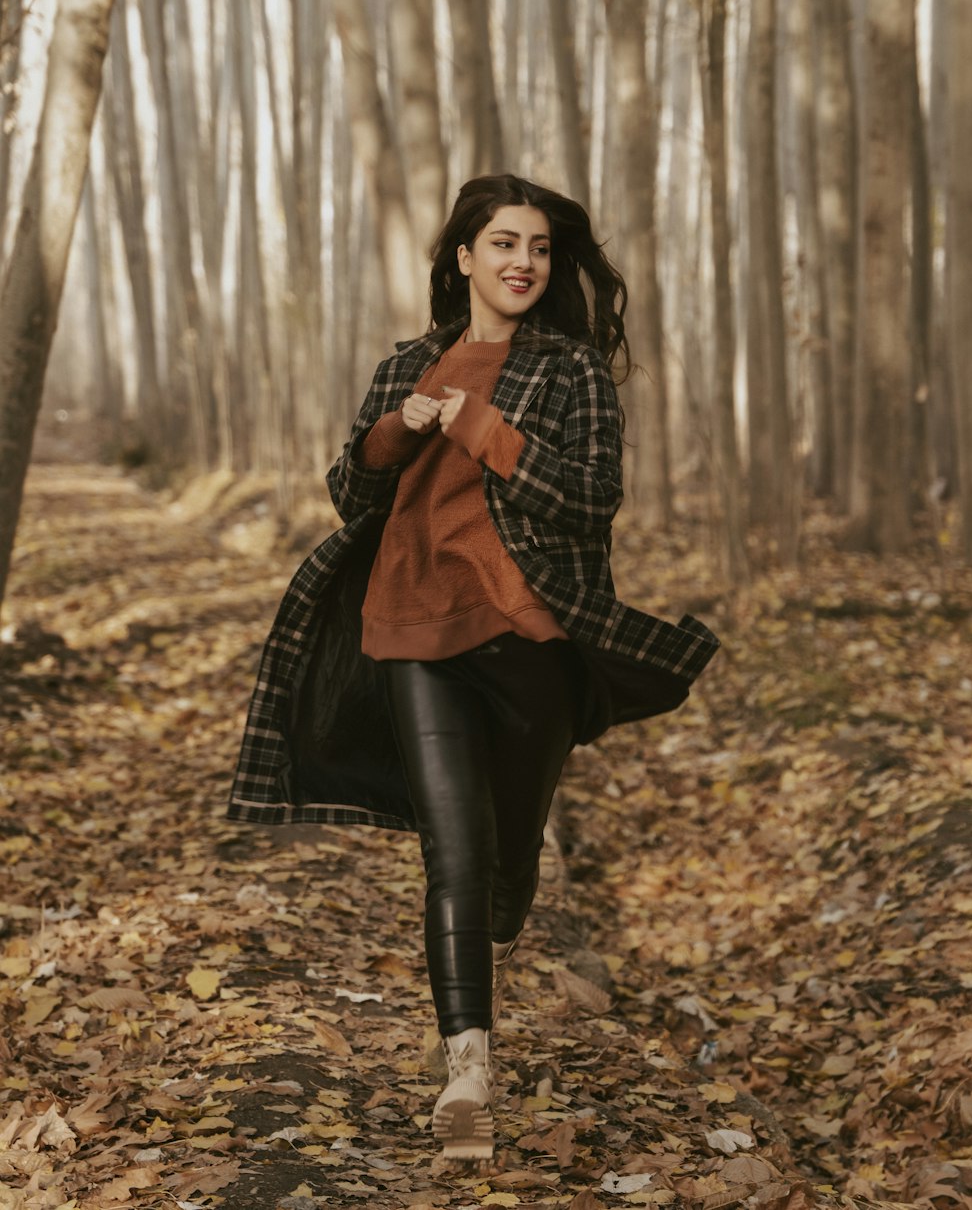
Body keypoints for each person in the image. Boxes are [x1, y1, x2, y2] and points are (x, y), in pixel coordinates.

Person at [227, 173, 719, 1161]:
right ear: (463, 257)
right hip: (413, 627)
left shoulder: (571, 373)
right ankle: (467, 1074)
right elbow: (347, 494)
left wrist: (482, 431)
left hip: (529, 635)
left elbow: (591, 502)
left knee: (504, 865)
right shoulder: (407, 363)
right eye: (502, 244)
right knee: (449, 850)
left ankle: (509, 891)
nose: (522, 263)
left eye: (537, 248)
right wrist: (393, 431)